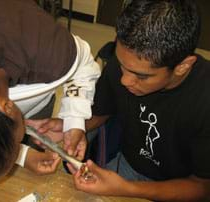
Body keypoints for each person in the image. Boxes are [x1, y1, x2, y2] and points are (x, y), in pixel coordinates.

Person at [38, 0, 210, 201]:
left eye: (142, 76)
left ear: (182, 66)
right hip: (127, 168)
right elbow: (103, 111)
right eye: (121, 65)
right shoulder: (124, 65)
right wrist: (72, 125)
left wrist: (128, 189)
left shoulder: (204, 100)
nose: (124, 80)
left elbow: (203, 187)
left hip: (180, 188)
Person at [0, 0, 100, 175]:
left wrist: (74, 119)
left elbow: (83, 68)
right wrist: (22, 155)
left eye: (16, 145)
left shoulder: (46, 48)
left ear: (8, 107)